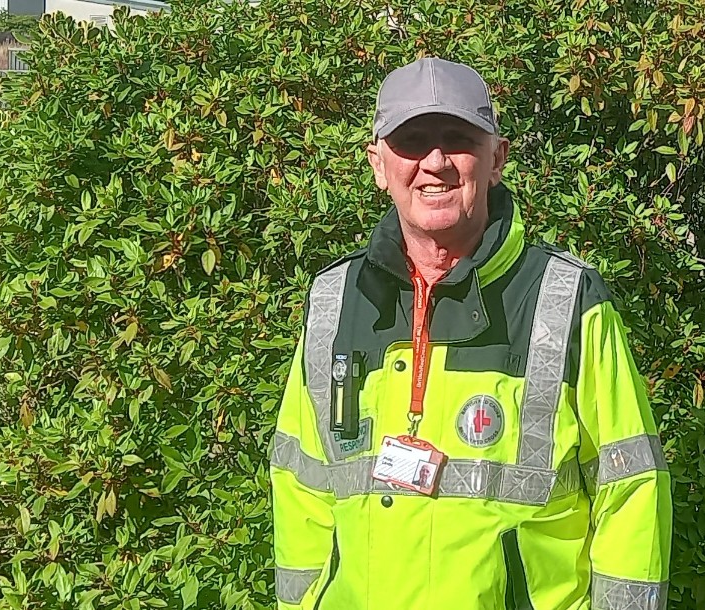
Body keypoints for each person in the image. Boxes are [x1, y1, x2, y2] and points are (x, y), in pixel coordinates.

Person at [269, 57, 671, 610]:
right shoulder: (334, 302)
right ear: (378, 164)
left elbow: (632, 487)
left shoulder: (566, 298)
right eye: (411, 142)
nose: (434, 163)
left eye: (458, 139)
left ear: (496, 159)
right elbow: (300, 484)